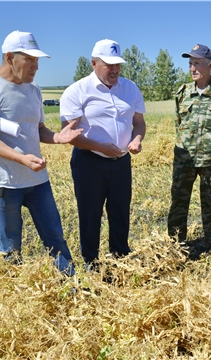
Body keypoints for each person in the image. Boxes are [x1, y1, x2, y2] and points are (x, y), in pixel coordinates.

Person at [0, 30, 83, 276]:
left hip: (37, 180)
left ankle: (72, 287)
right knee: (11, 247)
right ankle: (14, 294)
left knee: (55, 237)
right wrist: (21, 159)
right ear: (9, 57)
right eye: (29, 59)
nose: (36, 66)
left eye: (37, 60)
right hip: (4, 182)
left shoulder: (33, 90)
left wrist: (58, 138)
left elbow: (38, 130)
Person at [59, 39, 146, 267]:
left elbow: (139, 123)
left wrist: (136, 139)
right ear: (94, 63)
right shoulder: (77, 92)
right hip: (89, 163)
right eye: (108, 64)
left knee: (120, 212)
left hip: (121, 163)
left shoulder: (130, 88)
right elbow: (68, 134)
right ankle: (91, 262)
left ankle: (120, 258)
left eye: (117, 64)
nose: (114, 69)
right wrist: (100, 147)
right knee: (90, 214)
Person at [167, 44, 211, 250]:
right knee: (179, 200)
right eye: (190, 64)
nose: (192, 68)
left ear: (210, 65)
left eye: (197, 63)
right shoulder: (183, 93)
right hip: (184, 160)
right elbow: (179, 124)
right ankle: (176, 244)